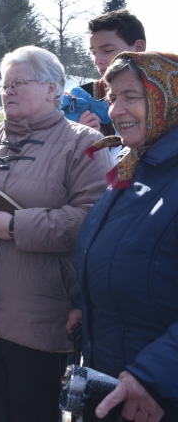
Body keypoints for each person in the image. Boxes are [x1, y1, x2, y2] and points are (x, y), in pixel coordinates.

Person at [0, 46, 112, 422]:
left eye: (19, 83)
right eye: (5, 84)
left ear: (53, 89)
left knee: (33, 413)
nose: (8, 91)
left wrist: (16, 226)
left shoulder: (83, 143)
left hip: (41, 312)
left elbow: (91, 218)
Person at [72, 52, 178, 422]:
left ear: (167, 96)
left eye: (131, 96)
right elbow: (118, 251)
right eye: (111, 99)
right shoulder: (136, 164)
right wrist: (83, 300)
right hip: (115, 374)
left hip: (156, 397)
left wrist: (154, 376)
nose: (115, 110)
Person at [78, 10, 146, 134]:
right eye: (93, 53)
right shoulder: (82, 99)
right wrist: (75, 135)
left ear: (138, 48)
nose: (97, 61)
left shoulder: (168, 93)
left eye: (108, 50)